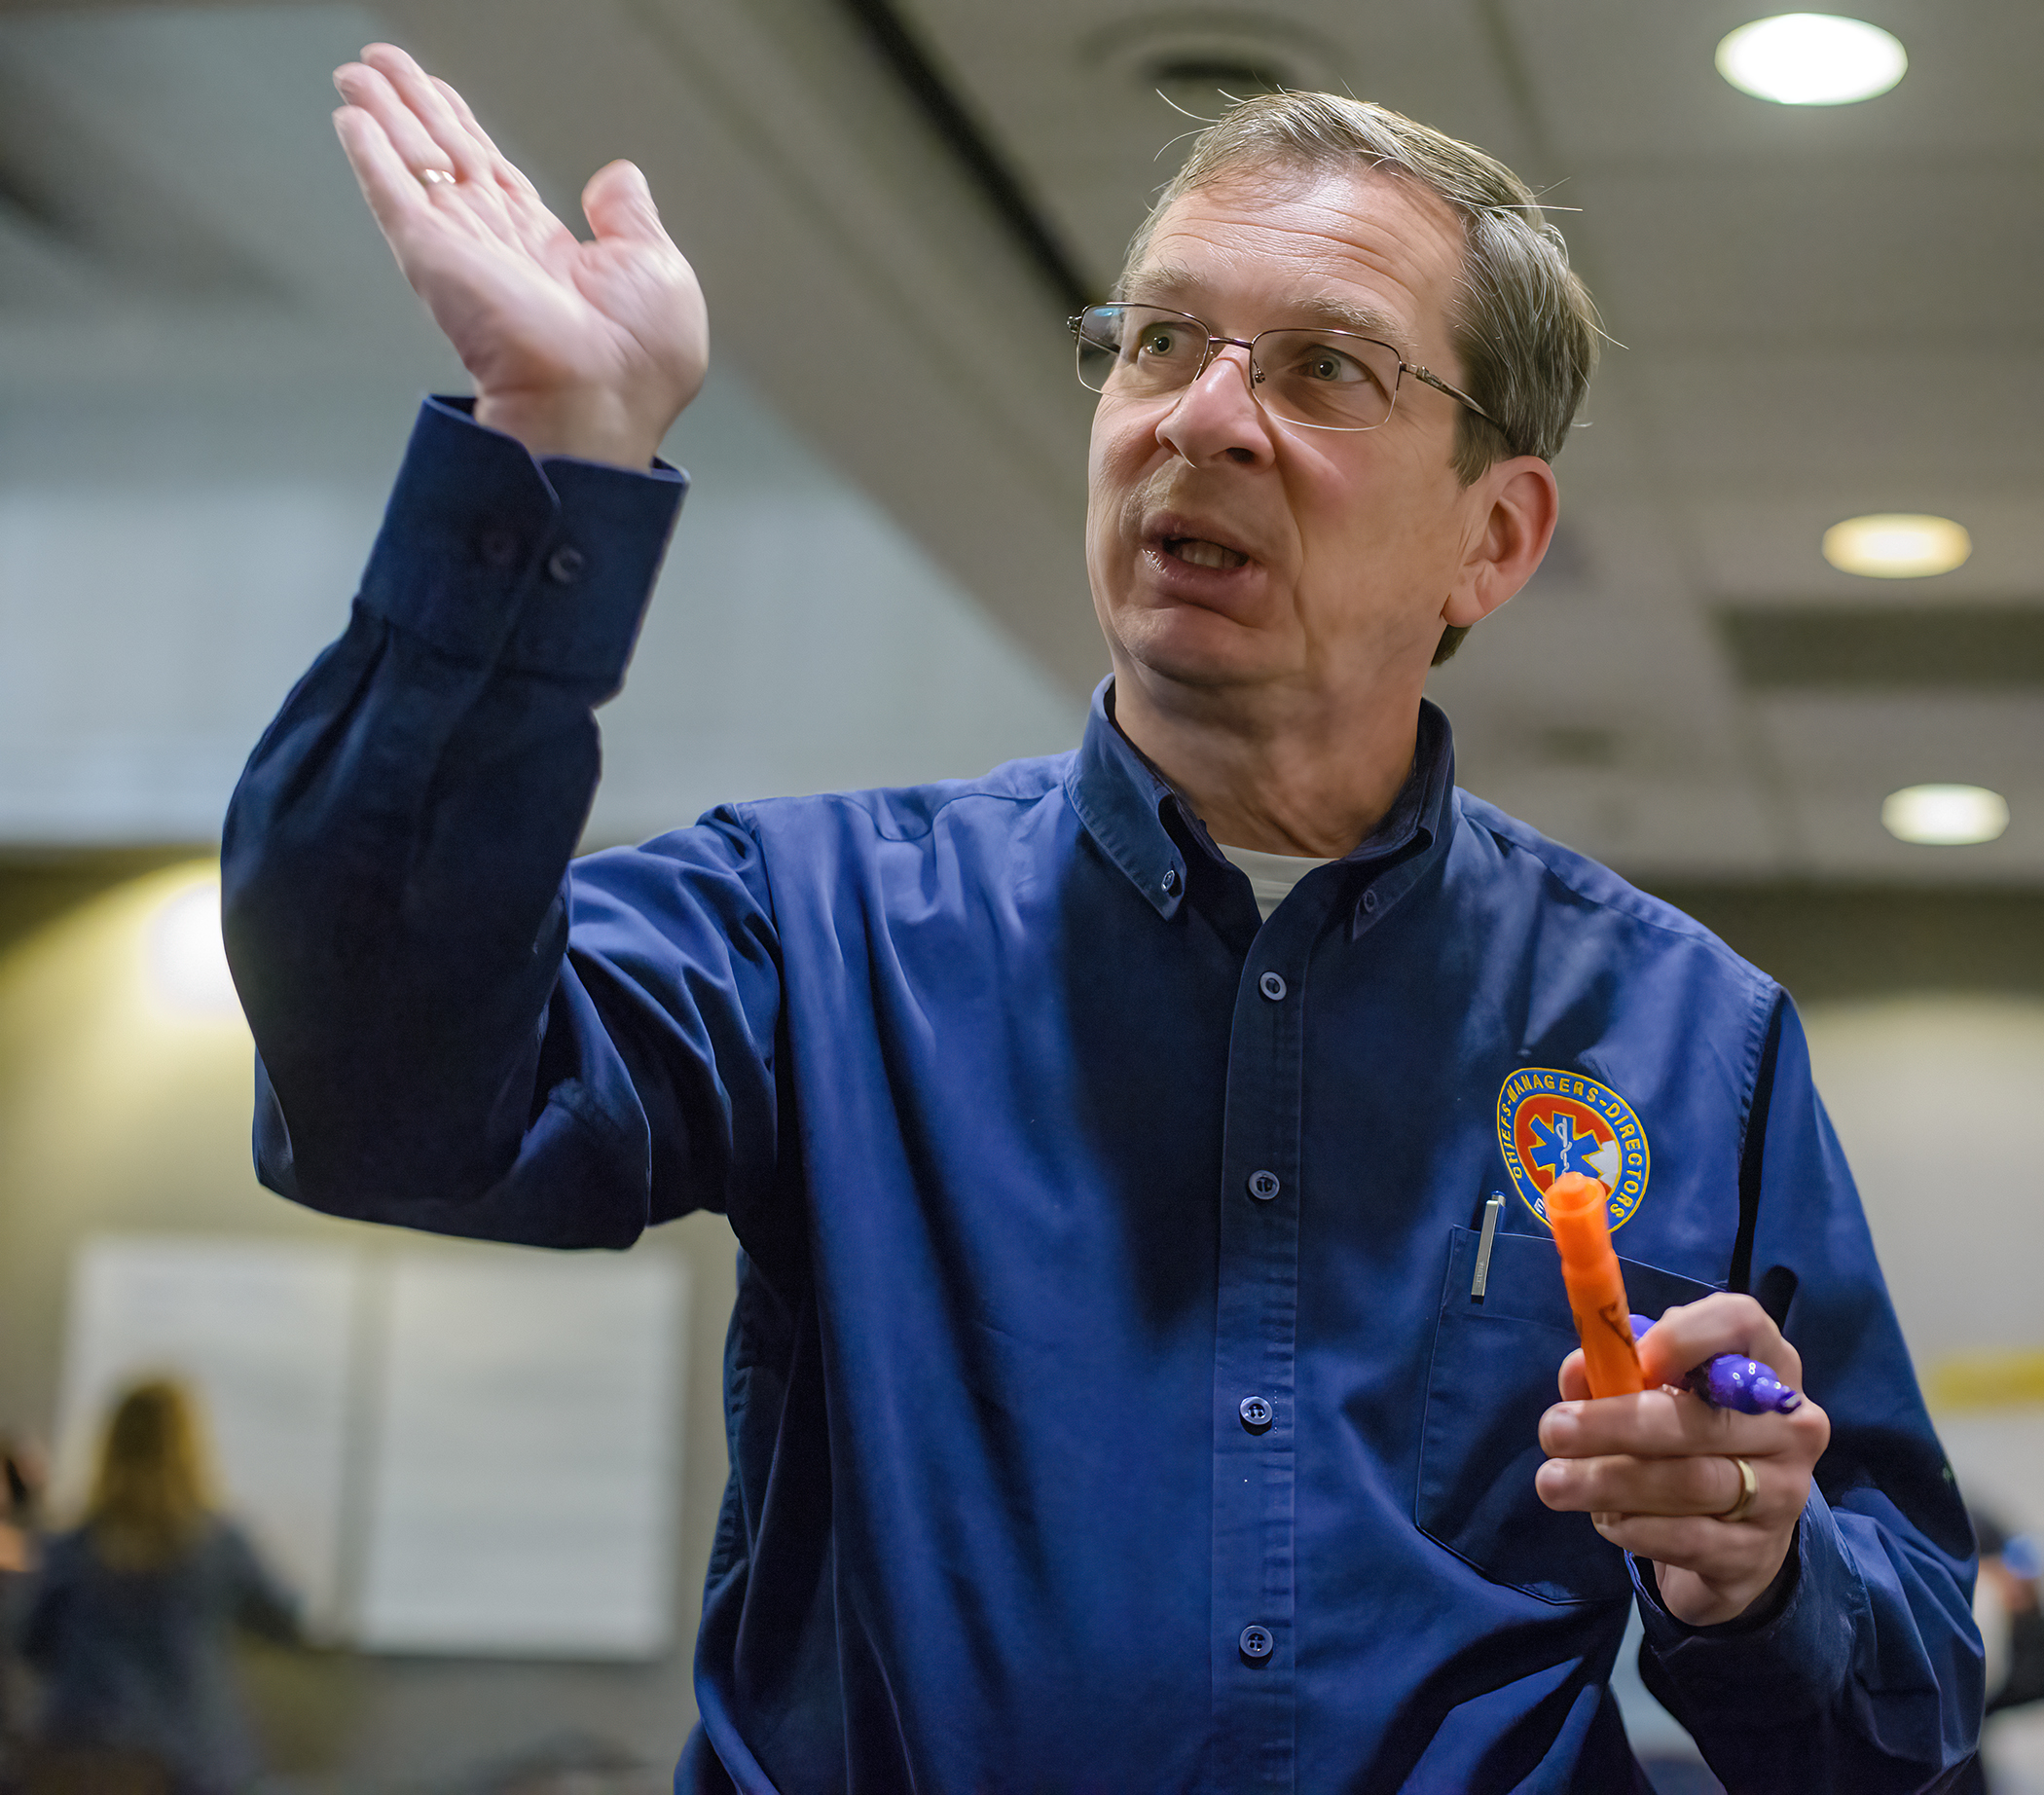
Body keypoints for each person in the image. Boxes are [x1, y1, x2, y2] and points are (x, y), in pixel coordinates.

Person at [221, 42, 1982, 1791]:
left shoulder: (1688, 1033)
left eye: (1319, 367)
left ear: (1494, 539)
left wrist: (1760, 1567)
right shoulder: (814, 925)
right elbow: (386, 1098)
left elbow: (1897, 1714)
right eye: (1156, 339)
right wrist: (548, 461)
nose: (1199, 415)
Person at [20, 1378, 299, 1795]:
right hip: (197, 1761)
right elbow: (288, 1619)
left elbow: (32, 1642)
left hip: (86, 1758)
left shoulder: (72, 1548)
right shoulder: (219, 1544)